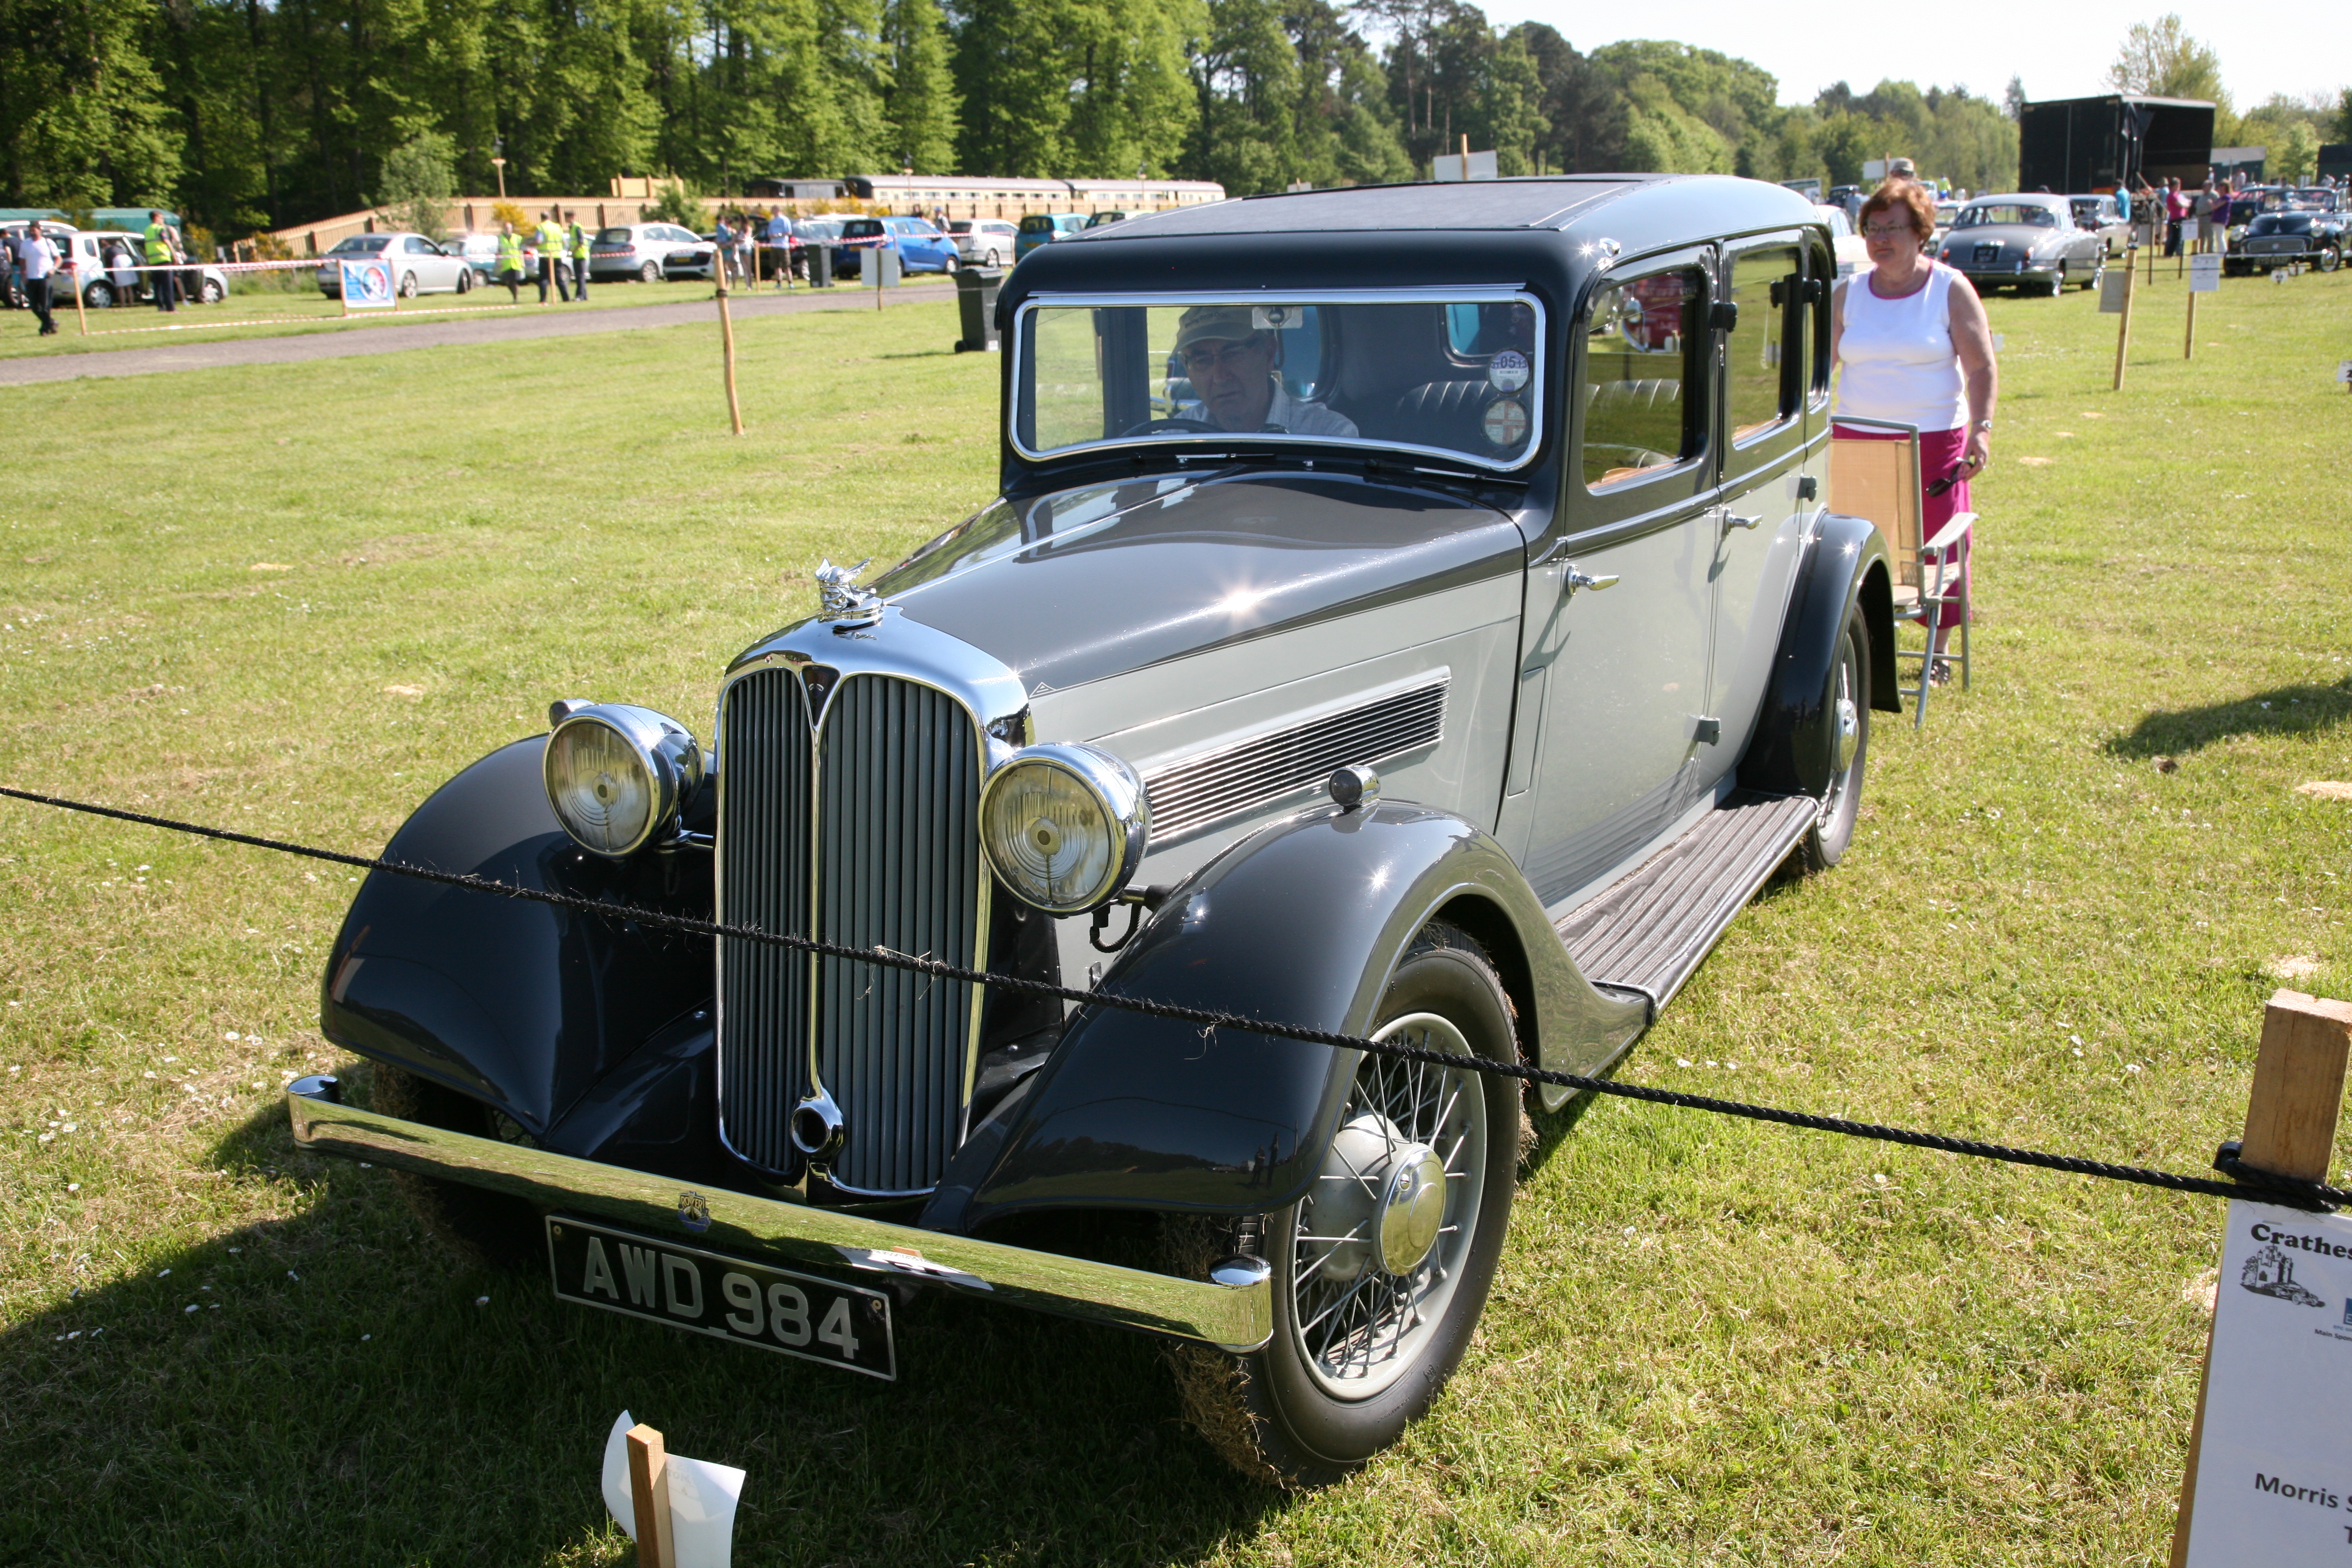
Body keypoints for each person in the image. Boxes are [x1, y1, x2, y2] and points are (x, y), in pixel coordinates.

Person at [1831, 178, 1998, 684]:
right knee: (1859, 545)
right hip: (1856, 442)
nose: (1881, 238)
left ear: (1920, 231)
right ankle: (1861, 642)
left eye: (1892, 228)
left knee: (1937, 551)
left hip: (1933, 443)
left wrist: (1983, 430)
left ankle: (1938, 652)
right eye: (1872, 229)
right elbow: (1820, 368)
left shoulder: (1950, 289)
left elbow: (1982, 368)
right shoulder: (1849, 293)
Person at [1170, 305, 1359, 437]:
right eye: (1201, 360)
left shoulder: (1326, 434)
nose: (1219, 377)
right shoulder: (1174, 436)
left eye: (1233, 354)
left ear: (1269, 354)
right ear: (1186, 368)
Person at [13, 222, 60, 335]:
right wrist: (23, 275)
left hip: (45, 277)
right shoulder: (25, 244)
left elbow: (58, 259)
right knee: (34, 307)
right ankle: (52, 322)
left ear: (40, 230)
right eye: (30, 230)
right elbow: (22, 261)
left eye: (34, 230)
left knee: (45, 307)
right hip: (31, 278)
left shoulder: (48, 243)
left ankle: (44, 330)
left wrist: (53, 269)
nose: (32, 232)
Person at [143, 210, 177, 312]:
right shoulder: (159, 229)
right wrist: (174, 255)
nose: (163, 220)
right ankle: (171, 308)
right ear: (156, 217)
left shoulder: (147, 230)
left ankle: (160, 307)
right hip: (164, 259)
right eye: (162, 218)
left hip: (153, 261)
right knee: (167, 285)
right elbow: (167, 241)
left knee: (157, 286)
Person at [533, 209, 568, 302]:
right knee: (559, 278)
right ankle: (566, 298)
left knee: (544, 279)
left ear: (541, 217)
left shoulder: (541, 227)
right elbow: (564, 241)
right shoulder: (557, 227)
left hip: (545, 256)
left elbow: (538, 241)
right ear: (550, 217)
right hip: (557, 255)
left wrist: (529, 244)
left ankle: (543, 300)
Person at [495, 221, 526, 303]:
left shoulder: (518, 238)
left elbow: (520, 250)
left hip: (516, 262)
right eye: (506, 228)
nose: (508, 229)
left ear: (512, 229)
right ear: (504, 229)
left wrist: (523, 261)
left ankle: (516, 298)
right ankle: (515, 296)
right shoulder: (500, 238)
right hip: (506, 263)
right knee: (508, 282)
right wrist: (499, 262)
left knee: (514, 281)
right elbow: (499, 251)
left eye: (509, 228)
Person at [566, 212, 590, 302]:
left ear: (572, 217)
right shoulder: (572, 227)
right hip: (577, 255)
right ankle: (584, 296)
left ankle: (579, 296)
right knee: (579, 276)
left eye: (568, 217)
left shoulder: (577, 227)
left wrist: (573, 251)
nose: (566, 219)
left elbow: (581, 242)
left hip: (580, 254)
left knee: (580, 276)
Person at [765, 209, 791, 289]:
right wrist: (773, 236)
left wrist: (779, 235)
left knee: (786, 266)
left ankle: (790, 283)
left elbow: (789, 232)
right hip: (774, 245)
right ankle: (779, 283)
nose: (774, 212)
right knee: (776, 266)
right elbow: (769, 234)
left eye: (775, 210)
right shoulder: (772, 222)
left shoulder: (784, 220)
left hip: (783, 245)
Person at [108, 241, 135, 305]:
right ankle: (132, 303)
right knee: (129, 286)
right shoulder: (121, 247)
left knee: (121, 286)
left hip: (119, 261)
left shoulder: (108, 249)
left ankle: (123, 304)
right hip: (127, 258)